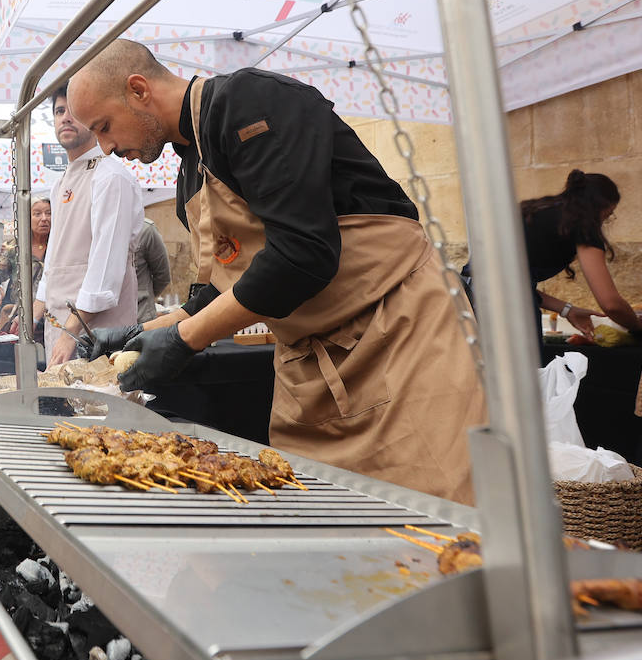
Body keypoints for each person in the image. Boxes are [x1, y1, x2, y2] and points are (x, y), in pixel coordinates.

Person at [69, 38, 486, 504]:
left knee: (434, 513)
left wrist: (187, 339)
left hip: (400, 333)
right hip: (310, 366)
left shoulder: (249, 103)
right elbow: (223, 291)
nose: (105, 147)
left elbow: (303, 253)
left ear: (139, 89)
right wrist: (144, 331)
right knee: (321, 524)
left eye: (104, 126)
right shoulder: (191, 172)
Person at [33, 84, 143, 366]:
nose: (65, 118)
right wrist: (35, 309)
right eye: (59, 111)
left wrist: (72, 333)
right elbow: (55, 258)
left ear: (93, 120)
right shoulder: (59, 184)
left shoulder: (110, 177)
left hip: (96, 333)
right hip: (60, 331)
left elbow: (105, 267)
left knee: (102, 405)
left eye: (73, 111)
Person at [516, 171, 642, 340]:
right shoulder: (583, 226)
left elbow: (514, 284)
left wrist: (567, 309)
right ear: (602, 208)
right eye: (608, 215)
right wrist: (638, 328)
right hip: (510, 315)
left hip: (474, 302)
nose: (604, 222)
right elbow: (611, 304)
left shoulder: (533, 211)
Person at [0, 197, 51, 338]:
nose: (44, 218)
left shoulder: (59, 247)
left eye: (49, 213)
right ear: (27, 217)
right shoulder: (14, 248)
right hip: (19, 320)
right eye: (37, 214)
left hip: (51, 319)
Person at [132, 218, 172, 324]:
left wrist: (145, 297)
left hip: (141, 318)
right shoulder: (96, 226)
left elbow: (163, 276)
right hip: (104, 321)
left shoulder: (146, 230)